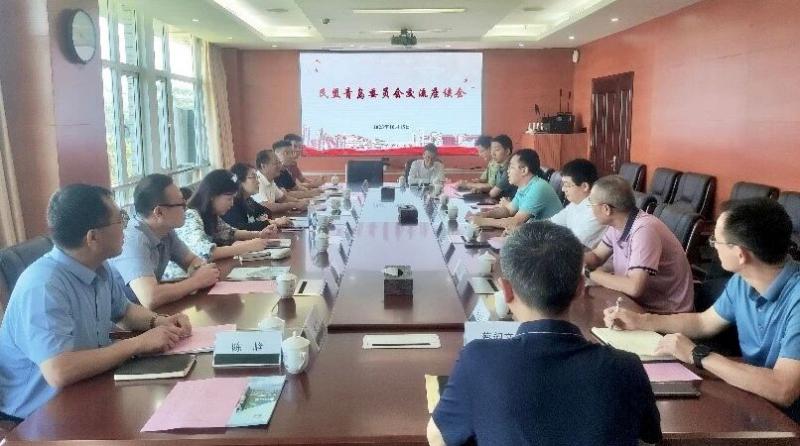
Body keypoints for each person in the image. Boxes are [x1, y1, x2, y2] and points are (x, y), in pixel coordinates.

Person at [428, 221, 662, 445]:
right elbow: (650, 435)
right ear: (580, 288)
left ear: (506, 290)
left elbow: (438, 437)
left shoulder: (478, 359)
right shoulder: (626, 367)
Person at [0, 184, 190, 421]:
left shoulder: (99, 266)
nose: (126, 226)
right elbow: (59, 370)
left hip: (87, 387)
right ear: (93, 237)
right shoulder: (44, 286)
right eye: (120, 219)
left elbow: (125, 311)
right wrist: (139, 344)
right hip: (38, 414)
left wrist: (160, 322)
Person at [606, 198, 800, 422]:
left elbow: (783, 389)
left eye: (716, 240)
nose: (714, 246)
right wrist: (642, 321)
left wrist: (697, 354)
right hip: (755, 398)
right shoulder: (743, 280)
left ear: (740, 254)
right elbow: (703, 323)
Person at [584, 175, 693, 313]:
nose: (590, 209)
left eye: (591, 204)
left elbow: (634, 287)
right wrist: (576, 260)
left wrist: (590, 273)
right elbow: (597, 256)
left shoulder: (644, 230)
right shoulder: (618, 224)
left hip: (666, 313)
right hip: (635, 303)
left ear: (606, 209)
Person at [110, 174, 220, 309]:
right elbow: (150, 297)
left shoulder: (166, 231)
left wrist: (199, 270)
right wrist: (197, 281)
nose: (186, 208)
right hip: (124, 318)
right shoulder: (133, 239)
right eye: (181, 204)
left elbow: (191, 260)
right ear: (159, 212)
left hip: (147, 313)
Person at [167, 169, 278, 276]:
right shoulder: (191, 216)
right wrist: (247, 247)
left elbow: (229, 232)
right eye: (229, 199)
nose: (232, 203)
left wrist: (259, 234)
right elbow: (204, 252)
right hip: (181, 279)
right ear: (212, 196)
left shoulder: (211, 214)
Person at [467, 149, 563, 230]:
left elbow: (516, 222)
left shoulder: (538, 187)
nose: (508, 171)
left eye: (511, 167)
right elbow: (509, 210)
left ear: (524, 170)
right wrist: (484, 215)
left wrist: (483, 222)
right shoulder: (523, 186)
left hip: (555, 240)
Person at [548, 158, 605, 248]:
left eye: (567, 185)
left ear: (585, 186)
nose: (563, 189)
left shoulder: (595, 212)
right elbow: (550, 223)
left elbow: (573, 245)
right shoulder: (576, 203)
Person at [224, 163, 292, 231]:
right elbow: (240, 228)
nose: (258, 182)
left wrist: (263, 222)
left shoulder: (248, 200)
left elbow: (266, 212)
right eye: (253, 177)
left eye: (257, 177)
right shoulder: (231, 204)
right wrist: (272, 222)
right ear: (239, 181)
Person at [254, 149, 308, 213]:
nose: (280, 166)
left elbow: (283, 199)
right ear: (263, 166)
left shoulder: (270, 180)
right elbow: (266, 207)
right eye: (276, 163)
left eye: (279, 162)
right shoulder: (256, 181)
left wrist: (300, 202)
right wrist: (294, 205)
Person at [487, 134, 517, 200]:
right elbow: (494, 187)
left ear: (507, 151)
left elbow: (493, 193)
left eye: (497, 150)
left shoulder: (510, 168)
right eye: (491, 150)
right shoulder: (500, 167)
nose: (493, 154)